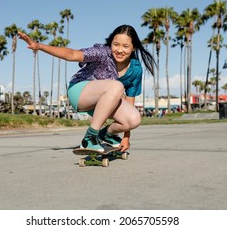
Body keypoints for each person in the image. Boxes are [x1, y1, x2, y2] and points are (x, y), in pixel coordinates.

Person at [18, 24, 155, 152]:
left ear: (133, 48)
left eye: (125, 46)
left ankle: (105, 135)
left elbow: (130, 101)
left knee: (133, 118)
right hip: (79, 91)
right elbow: (72, 54)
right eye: (116, 44)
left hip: (102, 101)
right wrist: (39, 46)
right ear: (111, 44)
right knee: (117, 86)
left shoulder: (135, 69)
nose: (119, 50)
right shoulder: (102, 53)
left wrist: (126, 137)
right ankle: (89, 138)